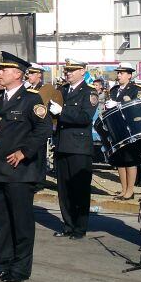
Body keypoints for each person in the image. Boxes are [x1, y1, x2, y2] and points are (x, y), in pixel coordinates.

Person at [0, 51, 53, 282]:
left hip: (19, 172)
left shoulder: (31, 98)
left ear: (17, 74)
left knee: (21, 222)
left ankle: (20, 270)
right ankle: (5, 264)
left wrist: (24, 152)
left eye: (4, 70)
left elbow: (44, 129)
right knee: (1, 221)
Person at [48, 59, 97, 239]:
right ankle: (68, 224)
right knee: (64, 189)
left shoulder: (89, 92)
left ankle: (79, 227)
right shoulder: (62, 91)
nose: (68, 73)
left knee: (80, 189)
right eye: (67, 70)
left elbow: (85, 117)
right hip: (62, 145)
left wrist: (62, 112)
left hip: (79, 147)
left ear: (82, 71)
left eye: (72, 70)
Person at [107, 62, 140, 200]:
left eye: (122, 73)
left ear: (129, 75)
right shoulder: (114, 90)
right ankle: (123, 189)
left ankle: (130, 190)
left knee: (130, 159)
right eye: (118, 72)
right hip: (117, 126)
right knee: (120, 159)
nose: (118, 75)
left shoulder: (135, 89)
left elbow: (136, 107)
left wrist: (119, 104)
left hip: (130, 127)